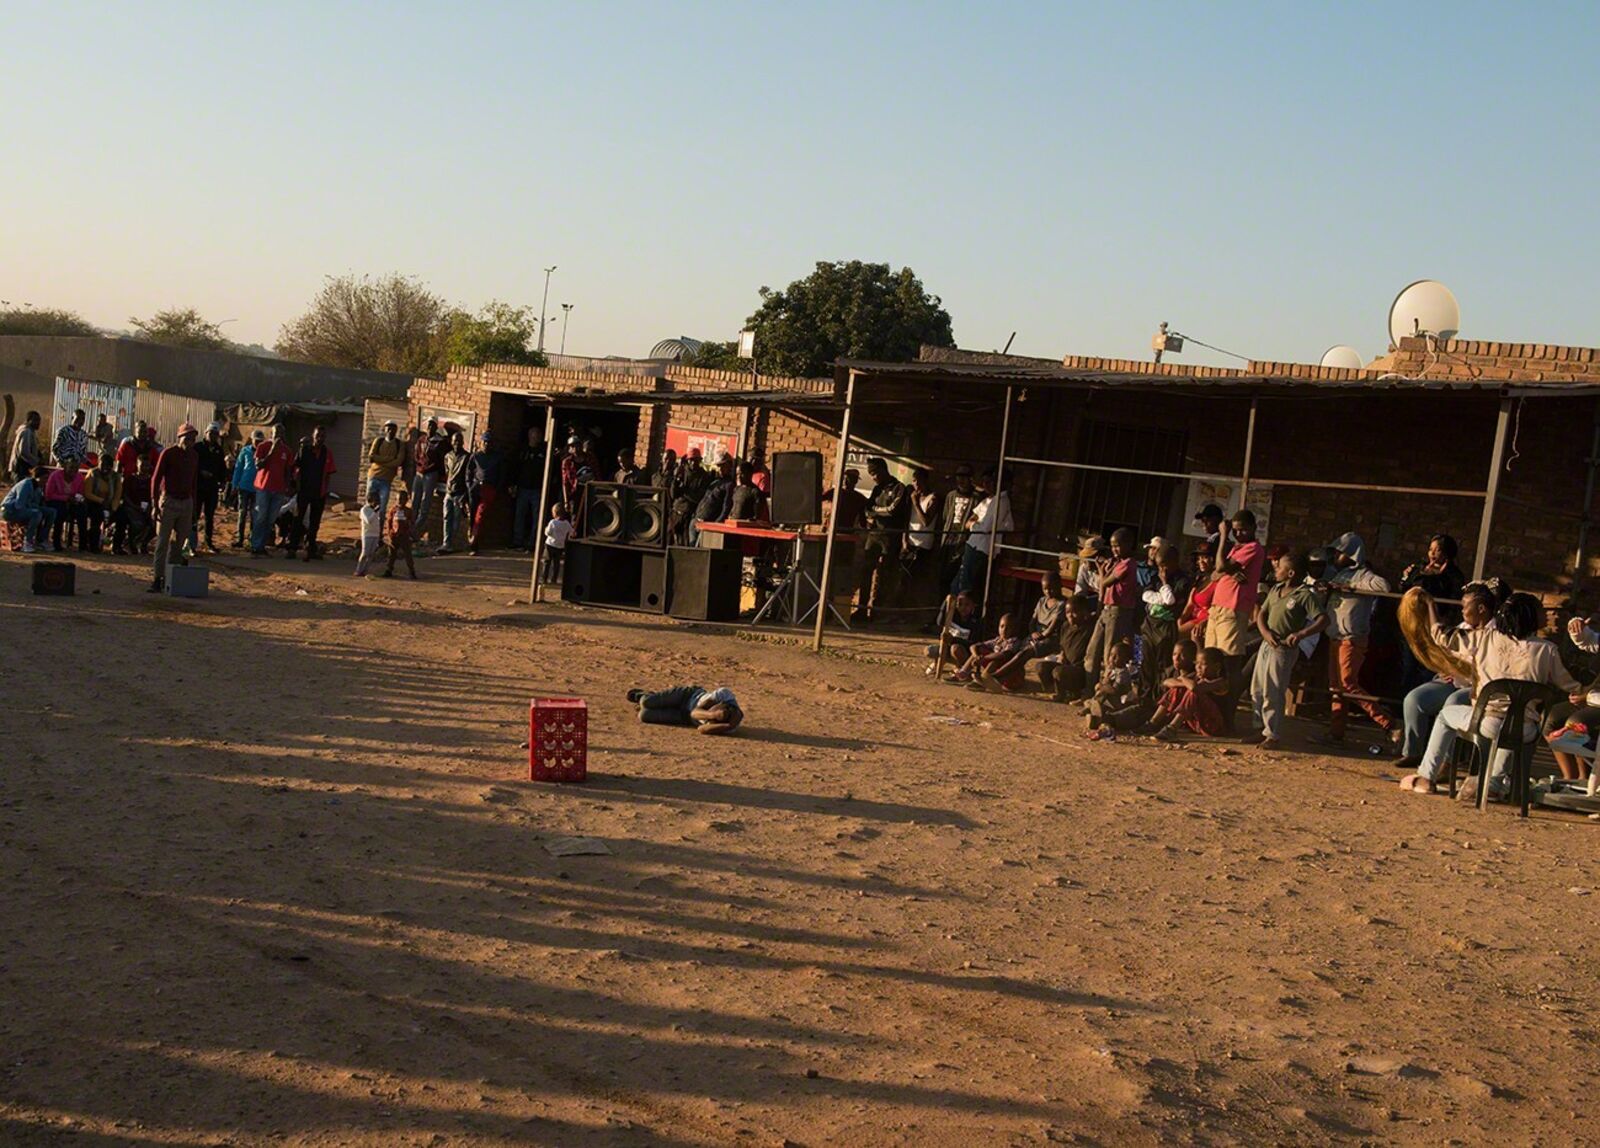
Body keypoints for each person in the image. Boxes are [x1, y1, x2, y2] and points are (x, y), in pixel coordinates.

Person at [1403, 592, 1580, 797]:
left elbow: (1440, 635)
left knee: (1445, 715)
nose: (1546, 615)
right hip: (1526, 729)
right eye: (1541, 611)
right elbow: (1570, 685)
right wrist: (1580, 694)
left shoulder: (1484, 638)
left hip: (1486, 723)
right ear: (1529, 616)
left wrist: (1430, 604)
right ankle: (1493, 783)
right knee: (1513, 721)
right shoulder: (1548, 650)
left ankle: (1426, 777)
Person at [1396, 582, 1498, 771]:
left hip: (1476, 687)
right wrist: (1445, 666)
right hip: (1452, 680)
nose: (1462, 611)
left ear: (1481, 609)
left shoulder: (1495, 634)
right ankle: (1413, 751)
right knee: (1414, 699)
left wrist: (1430, 606)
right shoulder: (1463, 626)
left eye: (1465, 607)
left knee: (1453, 702)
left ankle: (1448, 760)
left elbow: (1441, 635)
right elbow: (1445, 645)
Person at [1314, 532, 1400, 745]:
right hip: (1335, 637)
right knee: (1336, 688)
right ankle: (1336, 732)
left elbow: (1384, 587)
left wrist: (1351, 588)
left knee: (1348, 685)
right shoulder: (1338, 574)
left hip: (1352, 638)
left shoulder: (1363, 575)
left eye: (1339, 552)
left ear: (1351, 554)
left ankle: (1388, 723)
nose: (1335, 556)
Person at [1245, 550, 1326, 749]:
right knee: (1257, 688)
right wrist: (1264, 633)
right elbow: (1262, 614)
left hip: (1283, 649)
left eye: (1280, 567)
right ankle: (1259, 727)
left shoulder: (1304, 595)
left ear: (1291, 573)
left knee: (1273, 690)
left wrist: (1301, 634)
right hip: (1267, 643)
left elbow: (1323, 620)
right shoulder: (1275, 590)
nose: (1276, 570)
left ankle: (1272, 733)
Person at [1206, 509, 1267, 684]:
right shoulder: (1236, 548)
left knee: (1228, 658)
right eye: (1235, 531)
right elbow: (1214, 575)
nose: (1239, 534)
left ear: (1254, 528)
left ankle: (1228, 700)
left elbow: (1219, 567)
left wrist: (1224, 536)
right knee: (1212, 656)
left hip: (1233, 608)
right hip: (1218, 607)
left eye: (1243, 530)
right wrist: (1230, 573)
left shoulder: (1253, 548)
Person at [986, 568, 1067, 688]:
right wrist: (1033, 632)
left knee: (1024, 653)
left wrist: (1041, 635)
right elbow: (1032, 622)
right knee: (1014, 649)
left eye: (1051, 588)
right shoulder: (1041, 601)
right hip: (1036, 635)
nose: (1048, 591)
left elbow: (1052, 627)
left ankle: (996, 677)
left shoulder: (1062, 604)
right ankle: (1012, 678)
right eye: (1045, 589)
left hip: (1050, 639)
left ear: (1060, 586)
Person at [853, 457, 908, 624]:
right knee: (866, 572)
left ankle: (877, 611)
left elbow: (893, 511)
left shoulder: (899, 488)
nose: (874, 477)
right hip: (874, 535)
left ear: (884, 470)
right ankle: (861, 609)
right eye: (871, 474)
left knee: (884, 575)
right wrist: (877, 511)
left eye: (875, 473)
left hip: (890, 537)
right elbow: (868, 509)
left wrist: (876, 511)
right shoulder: (877, 489)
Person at [149, 423, 201, 592]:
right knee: (162, 542)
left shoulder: (194, 456)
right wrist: (155, 504)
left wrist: (193, 506)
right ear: (179, 437)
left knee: (181, 544)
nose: (190, 441)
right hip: (169, 500)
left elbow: (193, 482)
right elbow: (156, 479)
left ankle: (172, 577)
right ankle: (157, 578)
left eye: (193, 438)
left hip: (186, 501)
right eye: (187, 437)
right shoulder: (168, 453)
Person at [1084, 527, 1139, 680]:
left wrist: (1101, 570)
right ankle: (1089, 689)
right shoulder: (1118, 562)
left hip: (1118, 612)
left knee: (1110, 654)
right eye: (1112, 546)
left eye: (1118, 545)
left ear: (1129, 545)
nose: (1114, 549)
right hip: (1107, 609)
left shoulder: (1127, 564)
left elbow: (1105, 583)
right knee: (1092, 651)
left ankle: (1105, 692)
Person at [1143, 644, 1229, 740]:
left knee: (1194, 692)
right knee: (1177, 689)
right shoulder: (1196, 677)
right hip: (1196, 724)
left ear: (1217, 667)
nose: (1198, 667)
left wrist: (1183, 679)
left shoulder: (1221, 682)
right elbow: (1166, 682)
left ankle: (1171, 729)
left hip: (1213, 726)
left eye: (1203, 664)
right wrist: (1183, 683)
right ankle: (1153, 722)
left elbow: (1195, 688)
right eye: (1197, 664)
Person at [1139, 544, 1192, 695]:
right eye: (1159, 566)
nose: (1162, 569)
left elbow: (1171, 601)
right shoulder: (1156, 576)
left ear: (1174, 561)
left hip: (1166, 628)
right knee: (1145, 661)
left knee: (1163, 665)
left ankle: (1159, 697)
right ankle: (1143, 696)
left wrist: (1164, 584)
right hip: (1149, 625)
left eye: (1164, 565)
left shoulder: (1183, 580)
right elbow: (1145, 595)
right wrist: (1160, 597)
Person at [951, 470, 1012, 597]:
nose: (986, 485)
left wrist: (975, 524)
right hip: (974, 544)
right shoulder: (988, 500)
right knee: (958, 584)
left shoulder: (1001, 502)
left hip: (981, 547)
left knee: (964, 587)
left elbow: (986, 527)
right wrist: (975, 523)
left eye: (990, 482)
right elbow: (969, 520)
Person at [1085, 640, 1149, 741]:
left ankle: (1096, 713)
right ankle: (1095, 710)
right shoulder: (1112, 670)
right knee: (1101, 693)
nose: (1112, 659)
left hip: (1122, 701)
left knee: (1103, 692)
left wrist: (1102, 686)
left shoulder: (1123, 673)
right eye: (1111, 655)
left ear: (1125, 659)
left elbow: (1115, 690)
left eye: (1116, 656)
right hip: (1113, 702)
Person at [1036, 594, 1096, 702]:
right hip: (1065, 665)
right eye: (1068, 613)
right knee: (1040, 667)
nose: (1070, 616)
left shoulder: (1089, 627)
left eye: (1074, 612)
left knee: (1058, 672)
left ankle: (1069, 694)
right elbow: (1062, 645)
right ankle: (1056, 691)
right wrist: (1062, 654)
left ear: (1084, 612)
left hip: (1079, 671)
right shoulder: (1065, 626)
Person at [291, 426, 336, 561]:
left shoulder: (327, 453)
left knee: (314, 523)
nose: (320, 439)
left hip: (319, 492)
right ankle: (292, 548)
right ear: (313, 436)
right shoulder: (304, 450)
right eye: (318, 436)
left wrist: (325, 491)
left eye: (322, 436)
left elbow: (329, 473)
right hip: (304, 491)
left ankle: (310, 549)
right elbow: (296, 468)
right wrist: (297, 487)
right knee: (298, 519)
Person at [250, 424, 295, 557]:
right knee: (261, 517)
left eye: (281, 433)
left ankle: (262, 546)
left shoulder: (287, 451)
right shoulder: (263, 447)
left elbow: (288, 471)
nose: (278, 435)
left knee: (271, 519)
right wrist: (272, 452)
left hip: (278, 490)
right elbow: (258, 465)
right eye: (276, 433)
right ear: (271, 433)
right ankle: (255, 545)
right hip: (263, 487)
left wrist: (286, 487)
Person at [627, 684, 743, 735]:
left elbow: (701, 729)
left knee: (644, 715)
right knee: (647, 702)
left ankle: (655, 702)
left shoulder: (728, 727)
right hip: (687, 696)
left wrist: (727, 726)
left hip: (685, 718)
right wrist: (712, 715)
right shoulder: (724, 695)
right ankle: (645, 695)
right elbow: (695, 712)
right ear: (722, 704)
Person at [948, 613, 1025, 686]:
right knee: (980, 649)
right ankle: (963, 673)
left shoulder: (1015, 641)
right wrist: (977, 656)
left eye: (1009, 627)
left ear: (1015, 629)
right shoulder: (997, 640)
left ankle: (983, 680)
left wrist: (984, 658)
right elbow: (974, 646)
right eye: (1002, 626)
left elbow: (1004, 654)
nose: (1004, 630)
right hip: (995, 674)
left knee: (995, 660)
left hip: (1011, 677)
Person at [925, 589, 988, 676]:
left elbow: (973, 643)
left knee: (956, 648)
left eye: (967, 605)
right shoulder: (953, 616)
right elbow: (940, 622)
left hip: (963, 652)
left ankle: (960, 668)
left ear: (973, 606)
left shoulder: (975, 623)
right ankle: (938, 663)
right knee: (929, 650)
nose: (963, 608)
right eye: (960, 604)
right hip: (947, 648)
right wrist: (946, 602)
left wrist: (954, 640)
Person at [937, 463, 979, 592]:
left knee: (959, 578)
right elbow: (945, 517)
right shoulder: (951, 495)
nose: (961, 479)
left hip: (964, 542)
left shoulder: (976, 498)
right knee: (943, 576)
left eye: (964, 476)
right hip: (948, 539)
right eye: (959, 476)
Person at [510, 426, 548, 551]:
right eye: (536, 434)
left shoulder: (544, 451)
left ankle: (533, 543)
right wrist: (513, 484)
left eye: (539, 435)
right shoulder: (523, 450)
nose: (538, 437)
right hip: (523, 488)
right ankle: (517, 541)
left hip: (537, 489)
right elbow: (515, 467)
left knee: (537, 517)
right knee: (519, 515)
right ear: (530, 436)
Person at [191, 422, 227, 554]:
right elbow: (192, 464)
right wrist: (201, 472)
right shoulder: (198, 448)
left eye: (215, 434)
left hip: (211, 488)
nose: (213, 436)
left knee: (209, 516)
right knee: (193, 516)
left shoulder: (218, 449)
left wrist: (222, 481)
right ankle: (191, 544)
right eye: (211, 433)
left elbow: (222, 467)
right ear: (206, 433)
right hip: (198, 487)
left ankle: (208, 542)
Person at [1, 464, 54, 552]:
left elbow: (36, 503)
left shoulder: (39, 487)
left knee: (51, 512)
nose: (46, 481)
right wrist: (34, 508)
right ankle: (27, 541)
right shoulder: (25, 485)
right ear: (37, 477)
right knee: (36, 514)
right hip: (10, 511)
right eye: (44, 478)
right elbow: (19, 505)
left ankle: (42, 540)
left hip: (26, 508)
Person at [468, 432, 506, 554]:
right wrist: (469, 485)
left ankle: (474, 542)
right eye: (484, 442)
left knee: (480, 515)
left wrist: (496, 488)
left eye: (489, 442)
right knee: (472, 514)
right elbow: (469, 472)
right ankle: (472, 540)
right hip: (475, 487)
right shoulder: (476, 456)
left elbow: (501, 475)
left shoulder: (497, 457)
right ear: (480, 443)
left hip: (489, 488)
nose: (486, 445)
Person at [411, 418, 447, 544]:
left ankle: (414, 530)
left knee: (425, 504)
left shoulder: (439, 442)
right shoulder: (421, 440)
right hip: (419, 474)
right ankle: (412, 531)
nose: (430, 428)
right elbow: (416, 455)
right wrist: (420, 466)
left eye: (433, 426)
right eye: (428, 425)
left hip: (431, 475)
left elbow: (441, 460)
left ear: (436, 427)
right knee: (415, 502)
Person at [80, 451, 122, 554]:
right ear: (98, 463)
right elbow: (87, 493)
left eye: (109, 465)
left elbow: (117, 495)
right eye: (103, 464)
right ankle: (93, 545)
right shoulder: (93, 473)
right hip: (94, 501)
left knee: (122, 516)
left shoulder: (116, 477)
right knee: (97, 515)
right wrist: (101, 501)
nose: (106, 467)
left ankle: (116, 546)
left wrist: (113, 508)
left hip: (110, 503)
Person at [366, 420, 406, 525]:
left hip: (386, 481)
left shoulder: (399, 444)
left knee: (382, 509)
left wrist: (380, 461)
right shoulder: (378, 441)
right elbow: (371, 457)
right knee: (369, 506)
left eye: (393, 428)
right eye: (388, 428)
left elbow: (398, 461)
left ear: (396, 430)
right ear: (384, 429)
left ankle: (379, 534)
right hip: (373, 477)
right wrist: (389, 459)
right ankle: (368, 530)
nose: (390, 430)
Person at [1177, 543, 1217, 642]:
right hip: (1193, 618)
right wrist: (1181, 618)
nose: (1201, 562)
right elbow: (1190, 604)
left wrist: (1205, 622)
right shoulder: (1200, 578)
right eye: (1199, 558)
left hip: (1205, 621)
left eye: (1205, 558)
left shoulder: (1218, 581)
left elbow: (1217, 608)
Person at [439, 431, 472, 554]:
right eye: (454, 441)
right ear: (451, 442)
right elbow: (447, 473)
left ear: (463, 442)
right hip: (449, 491)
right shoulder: (448, 456)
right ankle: (446, 543)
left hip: (460, 493)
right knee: (446, 517)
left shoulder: (467, 457)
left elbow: (468, 477)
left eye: (459, 441)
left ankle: (451, 543)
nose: (457, 443)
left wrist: (465, 494)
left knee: (456, 519)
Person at [44, 458, 86, 552]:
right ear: (65, 467)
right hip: (55, 500)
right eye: (71, 467)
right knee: (61, 512)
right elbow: (49, 494)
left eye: (76, 468)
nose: (73, 471)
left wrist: (78, 499)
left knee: (82, 512)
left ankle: (83, 544)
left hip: (72, 501)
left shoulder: (79, 477)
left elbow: (80, 492)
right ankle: (56, 542)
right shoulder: (55, 476)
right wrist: (66, 498)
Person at [231, 430, 262, 547]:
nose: (258, 443)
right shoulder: (245, 451)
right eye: (256, 441)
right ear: (252, 440)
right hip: (244, 486)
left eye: (260, 441)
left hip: (257, 488)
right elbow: (238, 468)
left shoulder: (264, 452)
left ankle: (252, 540)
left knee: (254, 515)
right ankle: (240, 538)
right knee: (242, 513)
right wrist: (235, 484)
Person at [382, 487, 418, 579]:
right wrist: (389, 533)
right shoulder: (393, 510)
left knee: (407, 554)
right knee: (391, 554)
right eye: (398, 499)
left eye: (402, 499)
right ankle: (389, 570)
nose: (400, 501)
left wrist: (411, 534)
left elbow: (412, 523)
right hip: (394, 535)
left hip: (404, 535)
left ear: (406, 500)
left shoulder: (408, 511)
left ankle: (411, 571)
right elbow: (389, 522)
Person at [123, 453, 155, 554]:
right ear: (137, 465)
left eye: (147, 466)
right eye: (142, 465)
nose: (144, 468)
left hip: (148, 508)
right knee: (137, 524)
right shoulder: (130, 479)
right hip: (132, 507)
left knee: (156, 525)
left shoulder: (152, 480)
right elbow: (125, 496)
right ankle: (131, 543)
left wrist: (151, 507)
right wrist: (134, 506)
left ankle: (143, 543)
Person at [354, 490, 383, 577]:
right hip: (367, 534)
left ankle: (365, 571)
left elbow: (377, 522)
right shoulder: (364, 510)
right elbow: (368, 521)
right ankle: (358, 570)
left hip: (375, 534)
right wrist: (374, 512)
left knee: (371, 554)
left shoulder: (375, 510)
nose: (377, 502)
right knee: (365, 553)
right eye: (375, 500)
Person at [542, 502, 573, 583]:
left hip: (550, 544)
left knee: (547, 562)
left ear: (555, 513)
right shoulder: (566, 523)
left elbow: (548, 533)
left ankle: (544, 578)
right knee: (556, 563)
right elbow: (572, 532)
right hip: (559, 546)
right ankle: (554, 579)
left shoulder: (553, 522)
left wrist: (545, 529)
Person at [9, 410, 42, 480]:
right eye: (36, 420)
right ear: (29, 420)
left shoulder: (31, 432)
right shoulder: (26, 432)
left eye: (39, 420)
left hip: (22, 468)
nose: (38, 423)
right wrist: (36, 462)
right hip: (20, 469)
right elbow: (24, 452)